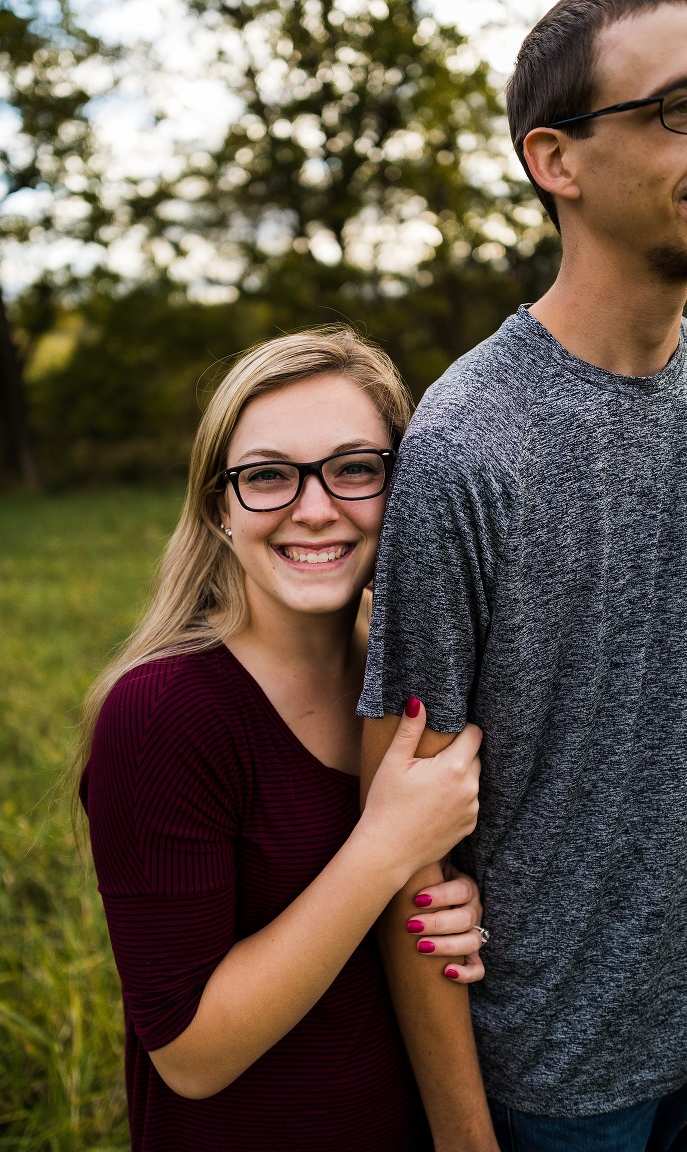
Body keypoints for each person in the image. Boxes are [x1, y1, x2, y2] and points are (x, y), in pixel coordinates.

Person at [358, 1, 687, 1149]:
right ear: (556, 161)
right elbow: (405, 838)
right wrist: (465, 1137)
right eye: (680, 110)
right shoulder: (467, 446)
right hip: (563, 1080)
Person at [77, 327, 489, 1152]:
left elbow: (420, 917)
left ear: (402, 490)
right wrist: (384, 850)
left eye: (354, 469)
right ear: (219, 506)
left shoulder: (419, 679)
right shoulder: (163, 713)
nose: (313, 507)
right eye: (267, 476)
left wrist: (457, 914)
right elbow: (189, 1054)